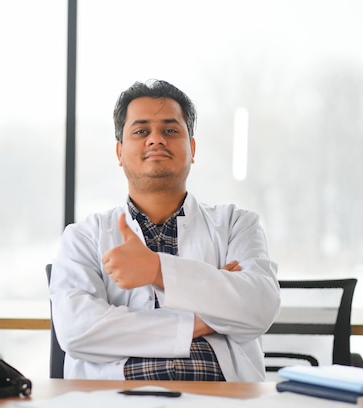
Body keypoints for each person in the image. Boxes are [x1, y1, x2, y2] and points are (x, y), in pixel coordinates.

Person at [49, 79, 280, 382]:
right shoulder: (83, 237)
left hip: (222, 403)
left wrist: (156, 270)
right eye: (141, 131)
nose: (155, 139)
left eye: (170, 130)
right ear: (119, 152)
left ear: (192, 148)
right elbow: (78, 331)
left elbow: (259, 307)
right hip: (114, 404)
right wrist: (203, 319)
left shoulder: (237, 223)